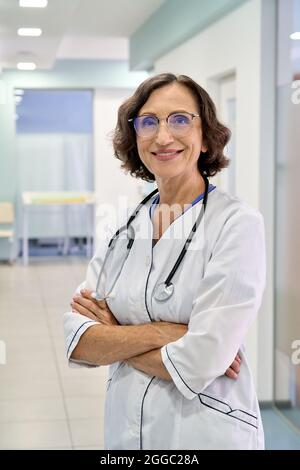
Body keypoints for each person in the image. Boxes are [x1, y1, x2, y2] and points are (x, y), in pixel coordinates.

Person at [63, 73, 266, 450]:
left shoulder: (237, 224)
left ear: (205, 137)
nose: (162, 136)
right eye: (148, 121)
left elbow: (201, 361)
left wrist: (116, 335)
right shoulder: (120, 225)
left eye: (180, 119)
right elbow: (80, 342)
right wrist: (168, 333)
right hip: (126, 431)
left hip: (205, 431)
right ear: (134, 137)